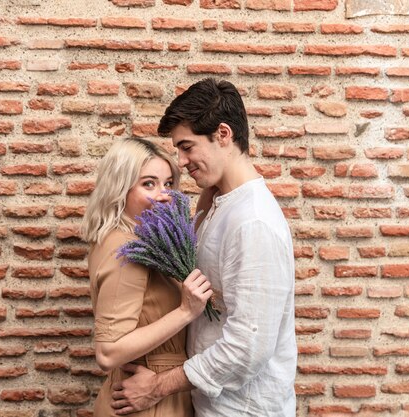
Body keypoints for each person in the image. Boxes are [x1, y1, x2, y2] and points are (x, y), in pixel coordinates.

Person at [110, 79, 297, 416]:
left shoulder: (254, 222)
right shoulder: (221, 204)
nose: (180, 161)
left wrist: (157, 387)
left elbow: (247, 348)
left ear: (223, 134)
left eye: (187, 147)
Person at [82, 138, 213, 417]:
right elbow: (108, 353)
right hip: (145, 401)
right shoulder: (126, 250)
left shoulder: (142, 241)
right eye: (149, 184)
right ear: (120, 188)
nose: (164, 195)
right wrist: (186, 311)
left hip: (158, 394)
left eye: (168, 184)